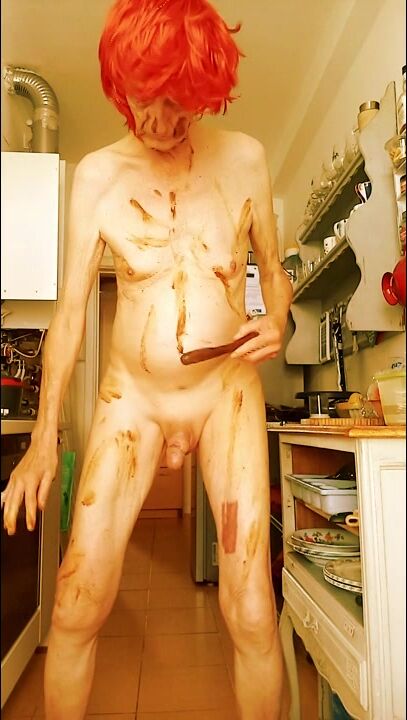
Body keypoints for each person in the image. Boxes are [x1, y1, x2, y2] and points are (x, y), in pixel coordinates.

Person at [1, 0, 293, 717]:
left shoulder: (246, 159)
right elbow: (71, 314)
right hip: (130, 400)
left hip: (225, 391)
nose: (159, 123)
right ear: (117, 84)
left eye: (178, 105)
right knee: (75, 603)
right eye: (143, 101)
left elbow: (274, 273)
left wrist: (279, 315)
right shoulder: (98, 178)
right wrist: (43, 440)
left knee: (252, 608)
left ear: (207, 92)